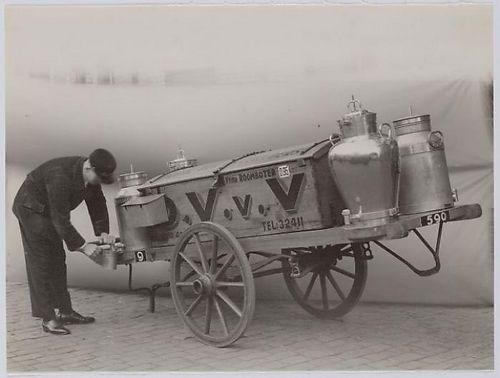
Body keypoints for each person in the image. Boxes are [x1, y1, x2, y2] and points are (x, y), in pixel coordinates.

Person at [12, 148, 118, 335]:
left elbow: (98, 203)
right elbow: (60, 219)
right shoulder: (60, 177)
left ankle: (65, 312)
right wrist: (84, 247)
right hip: (30, 208)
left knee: (58, 259)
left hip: (48, 212)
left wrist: (103, 232)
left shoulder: (91, 176)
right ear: (89, 168)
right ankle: (48, 318)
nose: (99, 183)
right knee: (42, 261)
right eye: (99, 178)